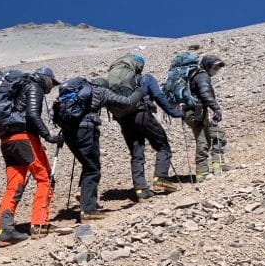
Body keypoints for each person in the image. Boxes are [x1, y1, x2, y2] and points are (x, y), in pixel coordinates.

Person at [52, 78, 140, 221]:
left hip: (67, 132)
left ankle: (84, 197)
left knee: (88, 165)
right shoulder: (100, 91)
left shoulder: (76, 92)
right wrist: (142, 90)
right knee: (92, 169)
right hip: (86, 130)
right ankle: (88, 210)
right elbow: (127, 102)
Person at [0, 67, 62, 245]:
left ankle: (5, 231)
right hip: (25, 139)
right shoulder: (35, 87)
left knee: (14, 186)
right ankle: (39, 224)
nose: (52, 86)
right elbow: (32, 115)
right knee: (45, 178)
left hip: (7, 141)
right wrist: (49, 136)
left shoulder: (19, 90)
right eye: (52, 82)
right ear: (45, 78)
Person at [109, 54, 183, 201]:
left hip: (124, 120)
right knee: (163, 146)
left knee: (137, 153)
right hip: (142, 115)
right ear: (138, 66)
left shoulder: (112, 82)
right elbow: (159, 97)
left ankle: (141, 189)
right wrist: (174, 113)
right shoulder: (144, 79)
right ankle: (161, 178)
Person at [186, 54, 229, 181]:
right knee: (203, 141)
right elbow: (205, 93)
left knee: (217, 135)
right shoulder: (202, 76)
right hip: (195, 113)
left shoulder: (198, 75)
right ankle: (202, 173)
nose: (217, 70)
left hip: (196, 112)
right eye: (215, 67)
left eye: (218, 67)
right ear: (207, 65)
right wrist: (216, 108)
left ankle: (218, 165)